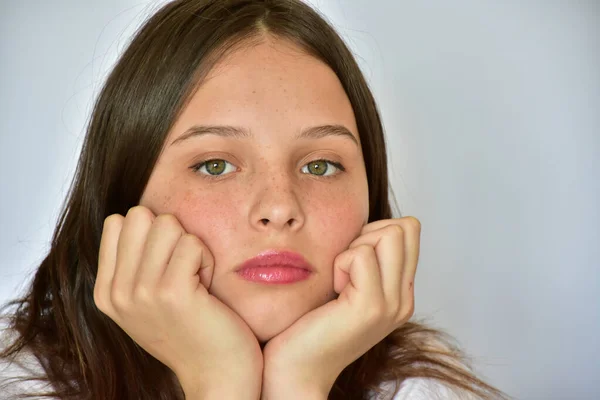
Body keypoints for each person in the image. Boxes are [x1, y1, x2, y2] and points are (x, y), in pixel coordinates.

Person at [0, 0, 510, 399]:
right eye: (215, 166)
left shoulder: (424, 389)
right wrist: (220, 381)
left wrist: (299, 386)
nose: (280, 207)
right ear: (123, 200)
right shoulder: (18, 384)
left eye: (320, 165)